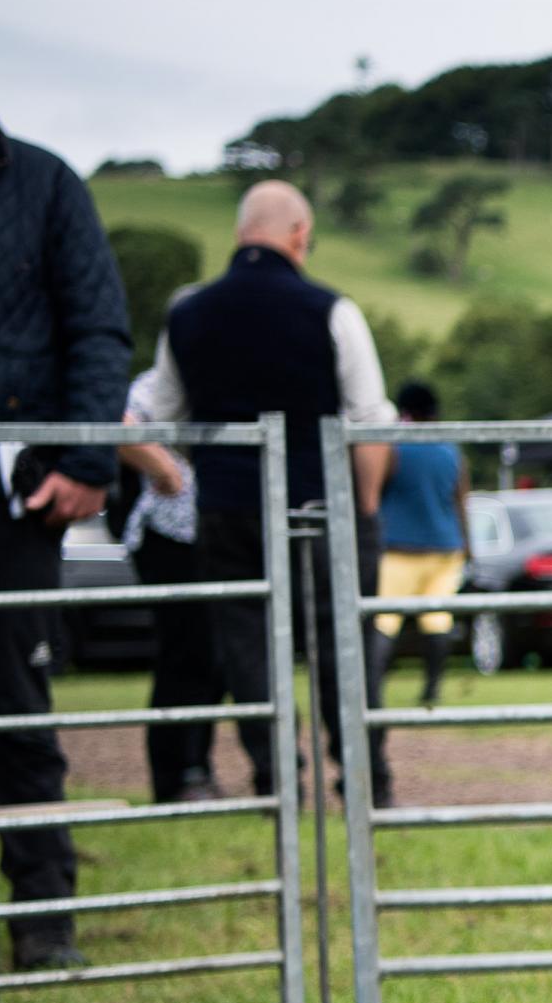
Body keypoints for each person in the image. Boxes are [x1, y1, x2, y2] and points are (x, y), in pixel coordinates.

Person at [145, 180, 399, 805]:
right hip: (320, 505)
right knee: (344, 644)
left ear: (239, 234)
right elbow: (369, 421)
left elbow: (164, 414)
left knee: (248, 646)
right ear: (299, 236)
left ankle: (275, 778)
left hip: (228, 507)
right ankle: (365, 778)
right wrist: (364, 509)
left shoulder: (187, 314)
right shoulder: (331, 310)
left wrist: (204, 463)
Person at [0, 119, 132, 972]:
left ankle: (45, 918)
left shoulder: (41, 184)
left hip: (14, 494)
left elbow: (96, 326)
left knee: (15, 705)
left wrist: (86, 457)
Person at [119, 365, 223, 801]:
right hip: (171, 534)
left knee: (214, 657)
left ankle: (196, 766)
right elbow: (118, 420)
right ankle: (177, 775)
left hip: (211, 531)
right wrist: (164, 467)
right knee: (186, 653)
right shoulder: (163, 379)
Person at [373, 381, 468, 707]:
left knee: (385, 620)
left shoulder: (394, 447)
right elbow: (461, 500)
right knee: (437, 619)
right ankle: (431, 690)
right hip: (445, 548)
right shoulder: (450, 450)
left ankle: (374, 690)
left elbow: (376, 491)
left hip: (400, 548)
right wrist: (468, 546)